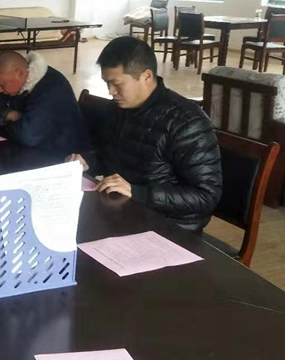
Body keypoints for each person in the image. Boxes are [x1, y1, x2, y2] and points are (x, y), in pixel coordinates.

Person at [66, 36, 222, 232]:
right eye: (107, 83)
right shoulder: (117, 109)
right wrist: (87, 162)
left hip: (170, 226)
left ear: (146, 76)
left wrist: (137, 193)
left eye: (116, 83)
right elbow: (112, 158)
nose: (111, 91)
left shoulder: (186, 122)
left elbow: (206, 196)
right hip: (124, 211)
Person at [0, 50, 88, 158]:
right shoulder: (15, 84)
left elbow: (27, 136)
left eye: (2, 84)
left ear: (19, 73)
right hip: (37, 152)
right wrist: (9, 115)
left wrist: (2, 119)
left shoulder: (51, 87)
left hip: (66, 157)